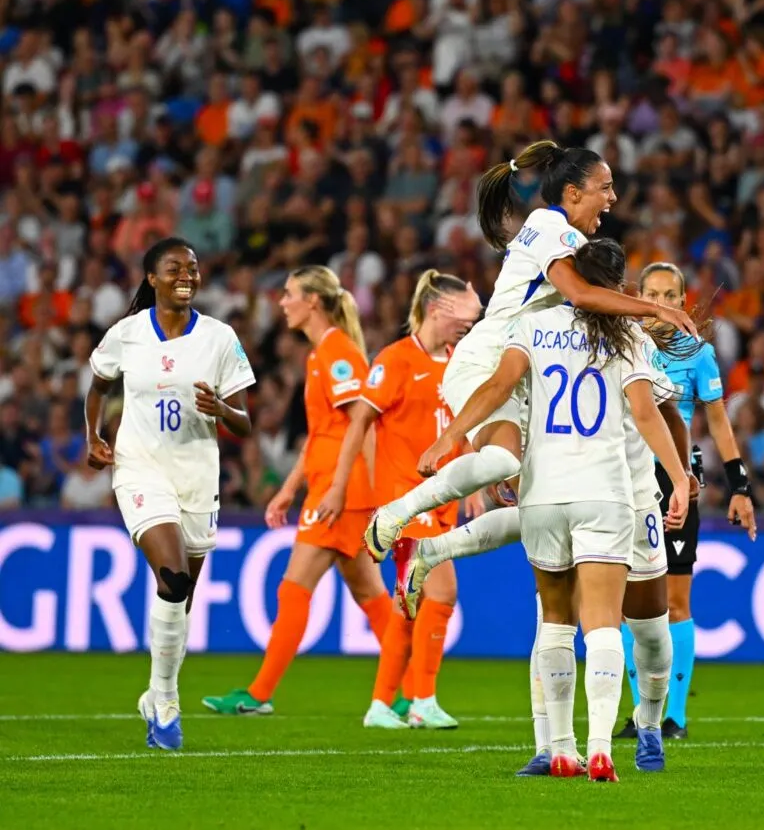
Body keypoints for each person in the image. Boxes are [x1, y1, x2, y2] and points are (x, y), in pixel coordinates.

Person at [403, 241, 696, 776]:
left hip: (625, 495)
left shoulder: (569, 330)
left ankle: (647, 723)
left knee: (645, 627)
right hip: (597, 492)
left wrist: (681, 473)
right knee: (572, 622)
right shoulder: (618, 333)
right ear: (621, 289)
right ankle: (559, 745)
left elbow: (663, 413)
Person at [361, 139, 696, 564]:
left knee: (540, 507)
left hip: (519, 375)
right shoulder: (555, 229)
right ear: (573, 193)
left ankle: (428, 554)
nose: (612, 198)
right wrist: (654, 308)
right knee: (502, 462)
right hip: (488, 360)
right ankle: (393, 515)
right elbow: (580, 294)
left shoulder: (555, 232)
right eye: (605, 188)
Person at [86, 237, 256, 750]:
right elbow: (98, 386)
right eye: (174, 268)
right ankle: (164, 702)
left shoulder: (221, 338)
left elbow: (246, 423)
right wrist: (92, 435)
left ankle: (159, 690)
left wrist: (221, 411)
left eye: (193, 268)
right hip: (140, 470)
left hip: (197, 479)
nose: (186, 274)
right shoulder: (127, 333)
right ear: (152, 278)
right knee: (175, 577)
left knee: (179, 600)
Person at [203, 266, 395, 716]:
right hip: (331, 486)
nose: (282, 301)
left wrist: (346, 490)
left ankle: (259, 694)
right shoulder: (320, 355)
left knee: (294, 589)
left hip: (338, 492)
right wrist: (289, 487)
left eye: (289, 294)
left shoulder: (338, 353)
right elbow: (322, 433)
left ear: (313, 301)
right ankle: (410, 691)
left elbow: (362, 426)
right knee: (370, 595)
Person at [314, 269, 480, 731]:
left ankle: (382, 705)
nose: (468, 323)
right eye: (461, 315)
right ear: (434, 309)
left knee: (407, 608)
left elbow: (460, 431)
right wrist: (340, 485)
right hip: (405, 502)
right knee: (442, 591)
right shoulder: (396, 360)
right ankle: (422, 700)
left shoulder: (458, 362)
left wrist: (478, 488)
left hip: (442, 501)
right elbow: (359, 423)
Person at [615, 260, 758, 740]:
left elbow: (718, 422)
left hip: (677, 480)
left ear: (682, 301)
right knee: (619, 602)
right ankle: (641, 713)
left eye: (669, 295)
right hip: (622, 477)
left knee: (674, 600)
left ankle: (673, 715)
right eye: (650, 294)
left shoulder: (698, 354)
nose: (658, 303)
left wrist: (739, 487)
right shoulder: (620, 341)